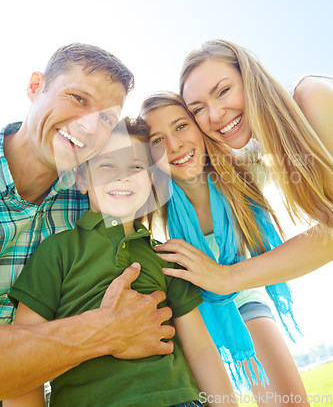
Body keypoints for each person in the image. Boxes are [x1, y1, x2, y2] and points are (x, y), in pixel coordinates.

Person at [5, 118, 233, 407]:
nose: (121, 176)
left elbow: (200, 349)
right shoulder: (55, 252)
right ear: (83, 180)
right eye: (107, 166)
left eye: (136, 167)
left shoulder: (165, 256)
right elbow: (25, 354)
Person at [0, 44, 174, 400]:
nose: (90, 126)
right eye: (78, 98)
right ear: (36, 87)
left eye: (107, 118)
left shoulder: (91, 201)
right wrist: (105, 328)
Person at [141, 93, 309, 406]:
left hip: (242, 290)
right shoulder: (153, 195)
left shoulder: (242, 167)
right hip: (187, 310)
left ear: (200, 127)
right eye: (158, 140)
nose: (174, 145)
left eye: (181, 127)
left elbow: (283, 130)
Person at [154, 39, 332, 294]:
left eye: (223, 91)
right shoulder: (263, 152)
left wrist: (229, 277)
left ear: (250, 78)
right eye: (199, 109)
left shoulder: (311, 98)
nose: (215, 115)